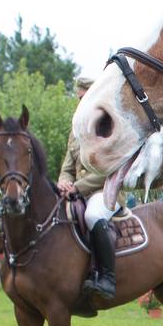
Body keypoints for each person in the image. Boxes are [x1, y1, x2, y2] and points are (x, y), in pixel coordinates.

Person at [58, 74, 118, 299]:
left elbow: (109, 171)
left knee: (93, 216)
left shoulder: (108, 129)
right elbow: (67, 166)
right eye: (78, 98)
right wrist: (64, 181)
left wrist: (77, 187)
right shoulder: (75, 133)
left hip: (104, 192)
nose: (79, 103)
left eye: (84, 98)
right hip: (76, 193)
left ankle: (107, 278)